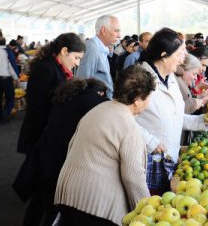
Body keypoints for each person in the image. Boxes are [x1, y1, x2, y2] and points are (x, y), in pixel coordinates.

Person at [54, 66, 154, 226]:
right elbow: (133, 176)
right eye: (149, 96)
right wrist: (146, 210)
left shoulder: (97, 110)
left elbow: (72, 145)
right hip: (96, 204)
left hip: (68, 193)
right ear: (138, 99)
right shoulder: (129, 126)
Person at [136, 28, 208, 195]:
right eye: (180, 53)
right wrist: (151, 142)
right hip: (147, 160)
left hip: (168, 159)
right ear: (164, 54)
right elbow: (124, 120)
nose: (183, 58)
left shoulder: (171, 79)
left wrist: (202, 120)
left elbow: (175, 117)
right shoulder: (140, 79)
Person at [15, 78, 108, 226]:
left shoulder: (67, 96)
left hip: (44, 154)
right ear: (100, 92)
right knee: (53, 207)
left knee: (40, 202)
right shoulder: (94, 101)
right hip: (59, 161)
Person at [17, 33, 85, 155]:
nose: (77, 63)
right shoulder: (46, 69)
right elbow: (37, 108)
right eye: (76, 58)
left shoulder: (57, 68)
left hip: (48, 132)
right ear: (64, 51)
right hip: (41, 134)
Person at [76, 15, 121, 99]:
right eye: (116, 31)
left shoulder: (101, 48)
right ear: (103, 30)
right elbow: (82, 82)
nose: (119, 35)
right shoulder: (92, 48)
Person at [0, 37, 19, 123]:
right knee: (10, 97)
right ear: (5, 43)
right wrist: (16, 78)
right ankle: (6, 114)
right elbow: (12, 66)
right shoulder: (7, 52)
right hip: (6, 79)